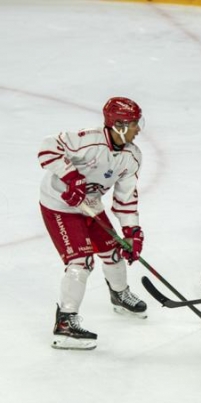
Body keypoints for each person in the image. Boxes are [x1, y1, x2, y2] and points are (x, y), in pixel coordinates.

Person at [38, 97, 148, 350]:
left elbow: (126, 197)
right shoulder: (89, 140)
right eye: (133, 123)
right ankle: (65, 324)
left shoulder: (132, 156)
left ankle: (119, 294)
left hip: (90, 204)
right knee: (81, 262)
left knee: (114, 252)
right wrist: (71, 177)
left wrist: (131, 231)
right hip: (60, 205)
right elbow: (47, 148)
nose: (138, 129)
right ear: (118, 125)